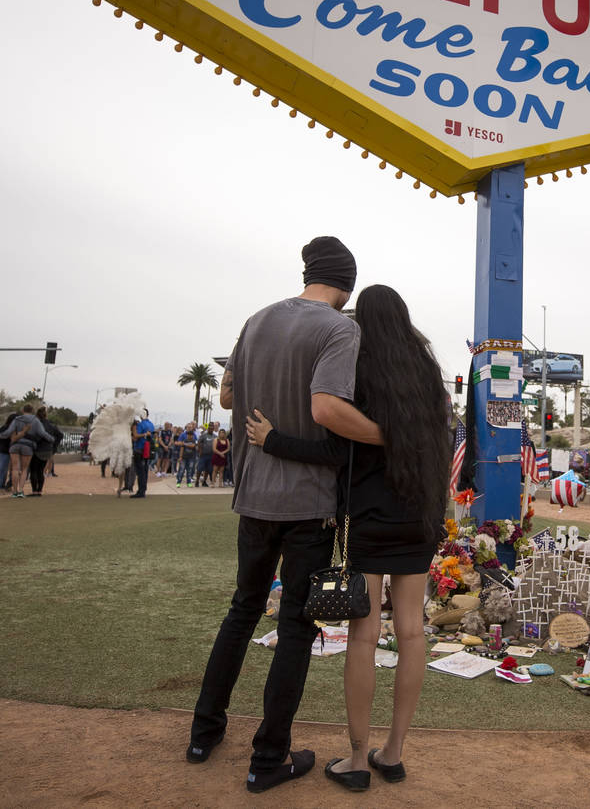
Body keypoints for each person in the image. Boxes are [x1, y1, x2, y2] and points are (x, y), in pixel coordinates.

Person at [187, 235, 381, 796]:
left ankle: (204, 732)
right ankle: (267, 757)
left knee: (242, 610)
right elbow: (327, 407)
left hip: (253, 494)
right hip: (308, 502)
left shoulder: (257, 319)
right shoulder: (341, 328)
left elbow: (226, 397)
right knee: (295, 626)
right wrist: (384, 435)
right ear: (346, 284)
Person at [244, 283, 451, 792]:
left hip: (369, 516)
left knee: (363, 634)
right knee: (412, 632)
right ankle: (394, 752)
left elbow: (336, 452)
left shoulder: (358, 374)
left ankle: (358, 758)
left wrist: (275, 441)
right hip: (419, 519)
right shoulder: (429, 379)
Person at [0, 404, 54, 498]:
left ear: (22, 410)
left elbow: (8, 432)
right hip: (28, 446)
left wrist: (2, 435)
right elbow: (42, 433)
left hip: (15, 445)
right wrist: (51, 439)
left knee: (15, 469)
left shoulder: (17, 419)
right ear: (32, 410)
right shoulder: (35, 420)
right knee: (24, 469)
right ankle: (21, 491)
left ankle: (14, 492)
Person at [28, 406, 63, 496]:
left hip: (37, 449)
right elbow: (60, 435)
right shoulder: (51, 425)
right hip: (47, 450)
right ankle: (39, 491)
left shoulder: (36, 424)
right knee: (40, 471)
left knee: (34, 470)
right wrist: (54, 446)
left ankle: (34, 491)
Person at [131, 408, 155, 498]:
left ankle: (141, 491)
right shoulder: (151, 424)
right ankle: (143, 489)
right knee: (144, 470)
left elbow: (136, 436)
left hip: (140, 449)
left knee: (140, 471)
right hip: (147, 450)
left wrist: (142, 434)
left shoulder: (141, 424)